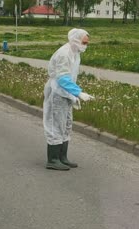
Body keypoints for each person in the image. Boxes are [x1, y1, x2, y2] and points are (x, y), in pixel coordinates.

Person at [43, 28, 94, 171]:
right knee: (56, 125)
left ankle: (62, 157)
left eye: (87, 43)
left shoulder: (75, 53)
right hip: (57, 92)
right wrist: (78, 93)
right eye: (84, 42)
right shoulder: (64, 54)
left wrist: (73, 94)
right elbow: (62, 77)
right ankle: (52, 159)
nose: (85, 45)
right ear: (75, 39)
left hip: (67, 93)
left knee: (66, 124)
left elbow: (70, 77)